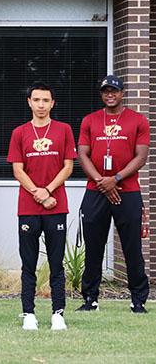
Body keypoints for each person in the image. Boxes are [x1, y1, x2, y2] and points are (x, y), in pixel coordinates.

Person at [76, 75, 150, 313]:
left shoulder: (138, 120)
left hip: (127, 191)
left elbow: (141, 156)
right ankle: (90, 299)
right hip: (95, 190)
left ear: (122, 93)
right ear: (101, 94)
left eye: (114, 91)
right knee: (93, 246)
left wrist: (115, 179)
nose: (110, 95)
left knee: (131, 247)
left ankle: (138, 300)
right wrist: (101, 182)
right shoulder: (90, 120)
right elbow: (83, 154)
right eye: (106, 91)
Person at [7, 82, 76, 331]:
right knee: (29, 263)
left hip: (56, 207)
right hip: (28, 208)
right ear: (29, 102)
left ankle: (58, 313)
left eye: (46, 100)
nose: (41, 105)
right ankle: (28, 313)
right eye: (36, 100)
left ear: (52, 103)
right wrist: (38, 192)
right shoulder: (19, 132)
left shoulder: (64, 130)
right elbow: (17, 168)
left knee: (56, 262)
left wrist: (47, 190)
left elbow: (68, 166)